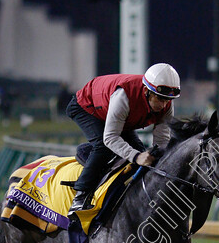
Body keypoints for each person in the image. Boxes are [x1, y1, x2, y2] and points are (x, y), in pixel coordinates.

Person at [66, 63, 180, 215]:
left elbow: (161, 140)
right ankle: (80, 197)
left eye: (167, 100)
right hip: (86, 107)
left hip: (118, 115)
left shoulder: (166, 104)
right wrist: (136, 156)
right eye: (159, 99)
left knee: (141, 156)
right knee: (103, 146)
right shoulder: (124, 96)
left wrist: (156, 158)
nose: (164, 105)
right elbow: (110, 138)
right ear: (146, 91)